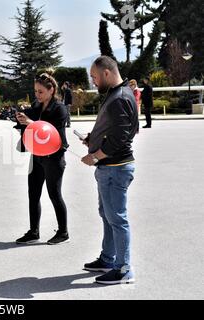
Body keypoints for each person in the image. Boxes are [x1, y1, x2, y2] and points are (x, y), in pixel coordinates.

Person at [81, 56, 138, 285]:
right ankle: (108, 258)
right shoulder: (119, 94)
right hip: (110, 168)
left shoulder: (119, 98)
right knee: (108, 215)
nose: (93, 82)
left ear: (106, 73)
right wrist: (92, 139)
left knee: (117, 218)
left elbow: (121, 139)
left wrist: (95, 155)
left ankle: (123, 269)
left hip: (115, 168)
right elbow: (115, 130)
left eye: (94, 77)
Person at [15, 71, 70, 245]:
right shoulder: (37, 106)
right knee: (33, 194)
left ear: (51, 90)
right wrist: (20, 116)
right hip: (37, 156)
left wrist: (30, 122)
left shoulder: (59, 108)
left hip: (54, 157)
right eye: (36, 91)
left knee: (54, 194)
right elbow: (27, 120)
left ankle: (63, 232)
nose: (37, 95)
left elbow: (49, 130)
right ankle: (34, 231)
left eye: (40, 92)